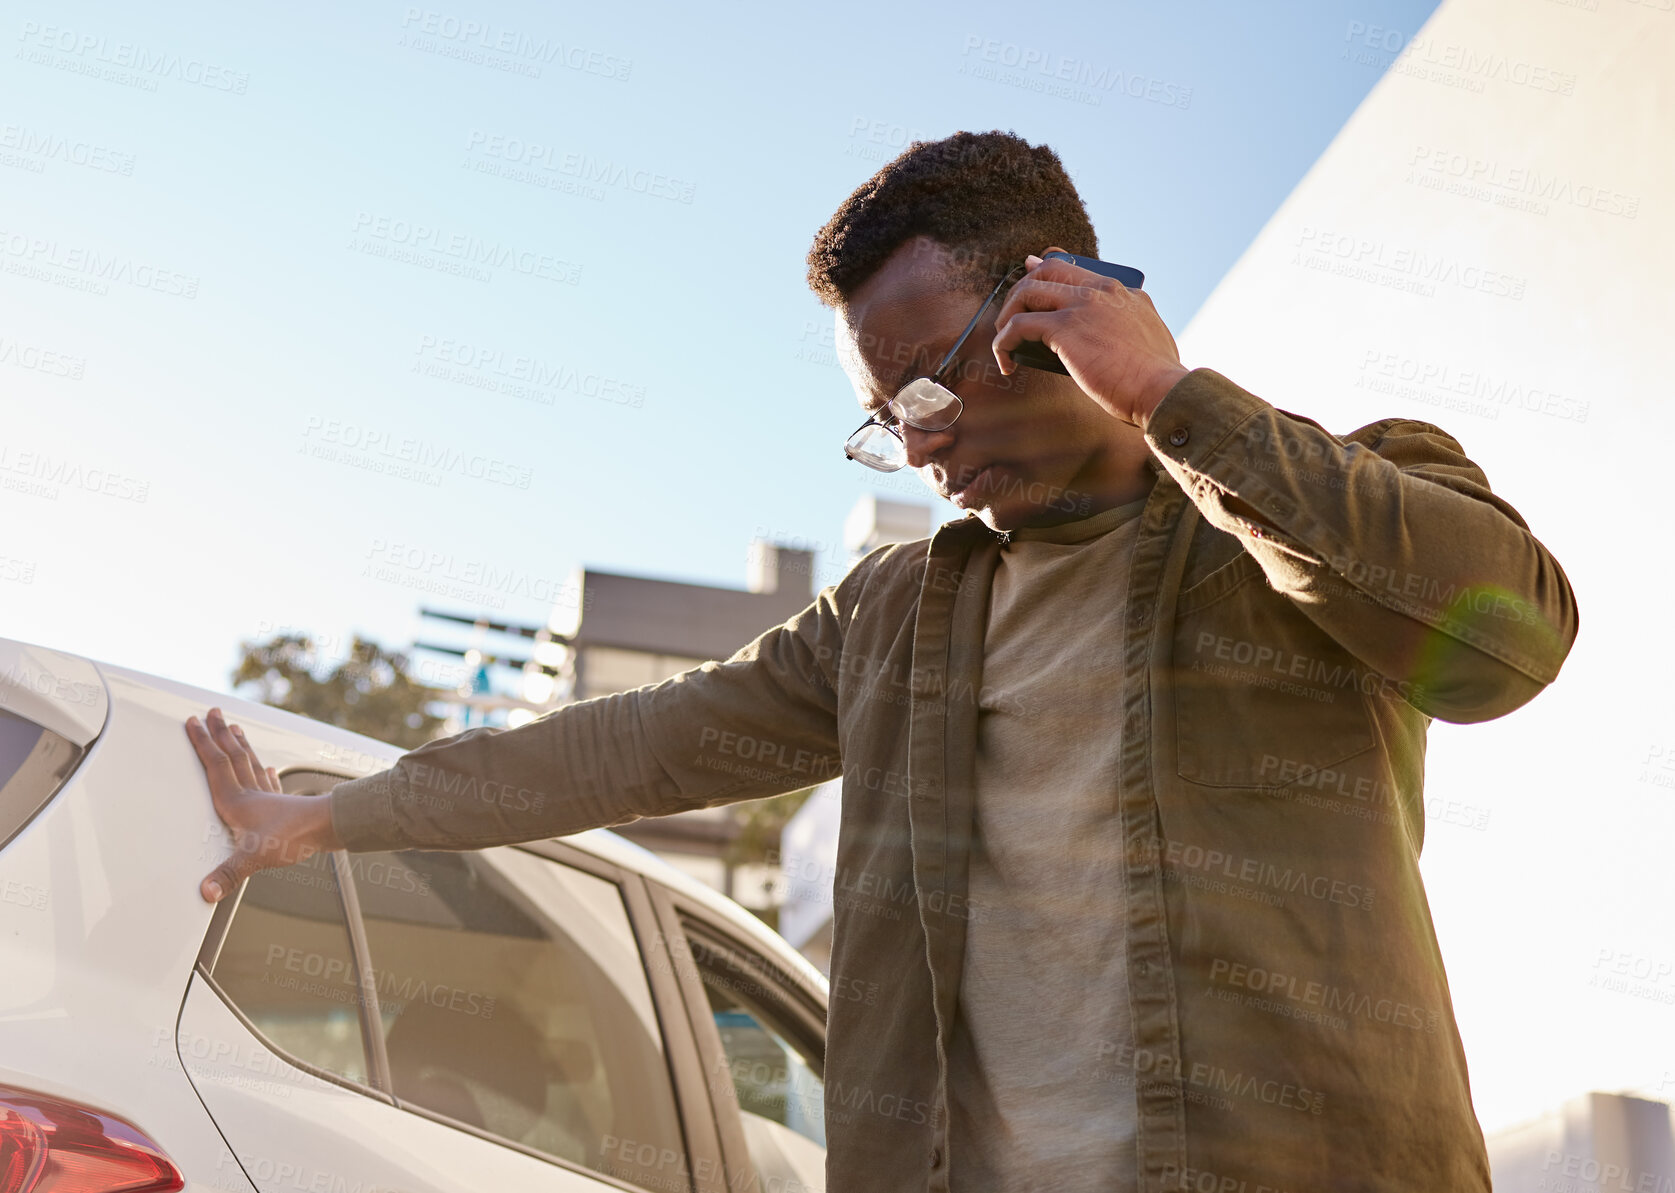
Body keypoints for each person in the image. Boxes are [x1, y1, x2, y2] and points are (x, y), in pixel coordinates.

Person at [186, 130, 1578, 1192]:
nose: (914, 442)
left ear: (1060, 307)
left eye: (926, 385)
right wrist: (335, 813)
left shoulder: (1311, 494)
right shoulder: (893, 618)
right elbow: (633, 743)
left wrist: (1173, 401)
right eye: (882, 414)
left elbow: (1508, 642)